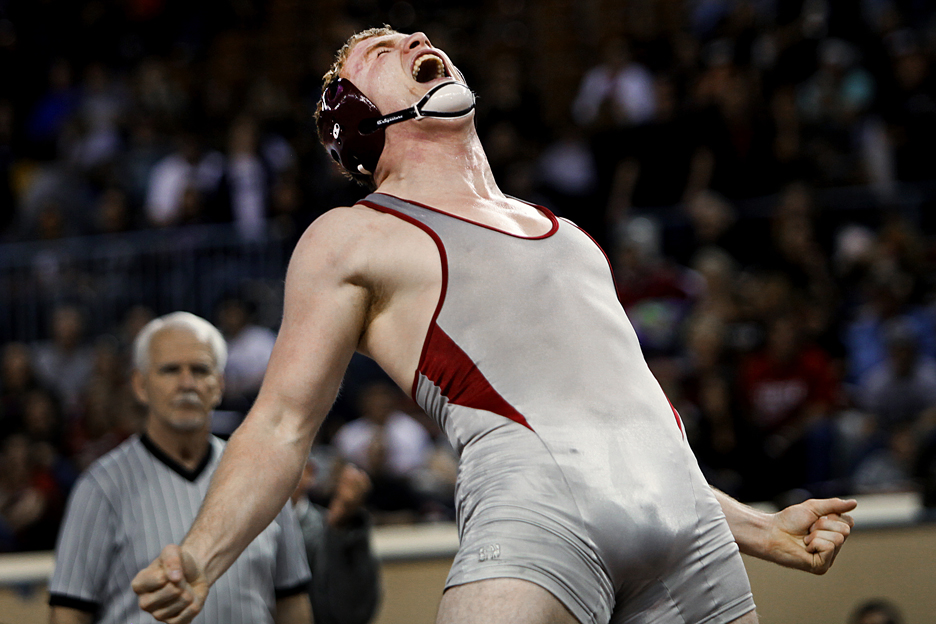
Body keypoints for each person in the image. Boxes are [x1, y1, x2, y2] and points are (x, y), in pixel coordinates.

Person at [133, 28, 857, 624]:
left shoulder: (567, 234)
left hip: (690, 532)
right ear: (358, 118)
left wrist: (759, 528)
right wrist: (202, 555)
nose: (415, 36)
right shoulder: (351, 237)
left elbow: (624, 422)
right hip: (536, 513)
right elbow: (282, 424)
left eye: (407, 34)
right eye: (381, 53)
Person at [48, 312, 312, 624]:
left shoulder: (263, 477)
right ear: (140, 385)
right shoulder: (100, 487)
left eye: (200, 370)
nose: (187, 383)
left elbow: (293, 603)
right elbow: (68, 612)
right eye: (170, 370)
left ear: (219, 384)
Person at [291, 456, 381, 624]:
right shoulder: (247, 530)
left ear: (308, 472)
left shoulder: (331, 528)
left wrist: (340, 525)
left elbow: (354, 611)